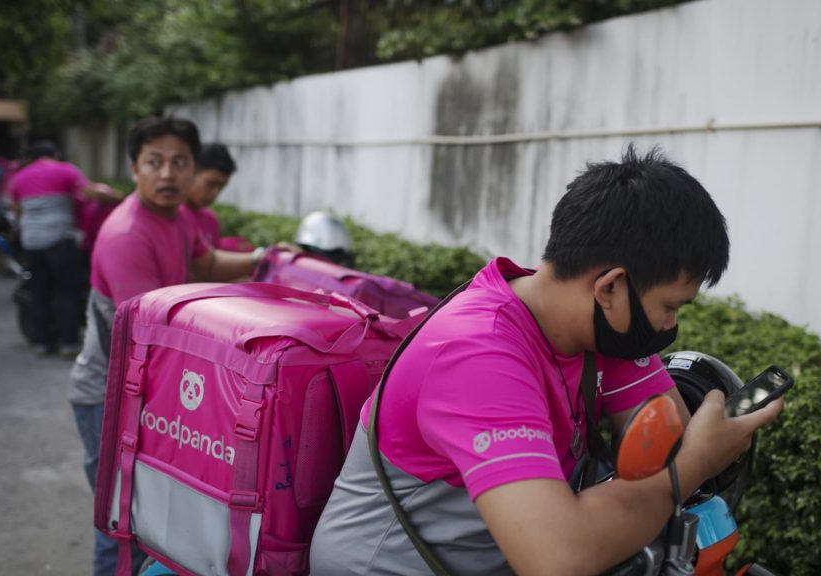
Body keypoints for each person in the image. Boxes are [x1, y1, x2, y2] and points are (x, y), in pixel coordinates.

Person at [310, 146, 784, 575]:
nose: (667, 327)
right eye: (669, 307)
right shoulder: (477, 354)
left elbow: (667, 440)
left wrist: (693, 450)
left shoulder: (596, 328)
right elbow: (558, 557)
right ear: (610, 286)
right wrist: (694, 466)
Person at [67, 116, 262, 576]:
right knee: (121, 528)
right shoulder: (127, 235)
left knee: (151, 523)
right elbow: (151, 340)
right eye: (154, 162)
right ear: (134, 168)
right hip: (107, 398)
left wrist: (262, 259)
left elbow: (206, 260)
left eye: (180, 162)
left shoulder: (177, 219)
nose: (168, 174)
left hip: (148, 392)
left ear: (193, 170)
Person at [7, 141, 122, 356]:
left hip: (31, 242)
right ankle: (69, 343)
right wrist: (120, 198)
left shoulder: (19, 178)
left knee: (39, 291)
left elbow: (17, 212)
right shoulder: (65, 170)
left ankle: (42, 342)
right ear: (56, 154)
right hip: (59, 239)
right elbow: (90, 193)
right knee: (67, 290)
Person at [185, 142, 237, 247]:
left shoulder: (210, 219)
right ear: (190, 172)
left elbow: (212, 262)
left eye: (222, 186)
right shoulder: (170, 216)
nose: (216, 193)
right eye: (211, 184)